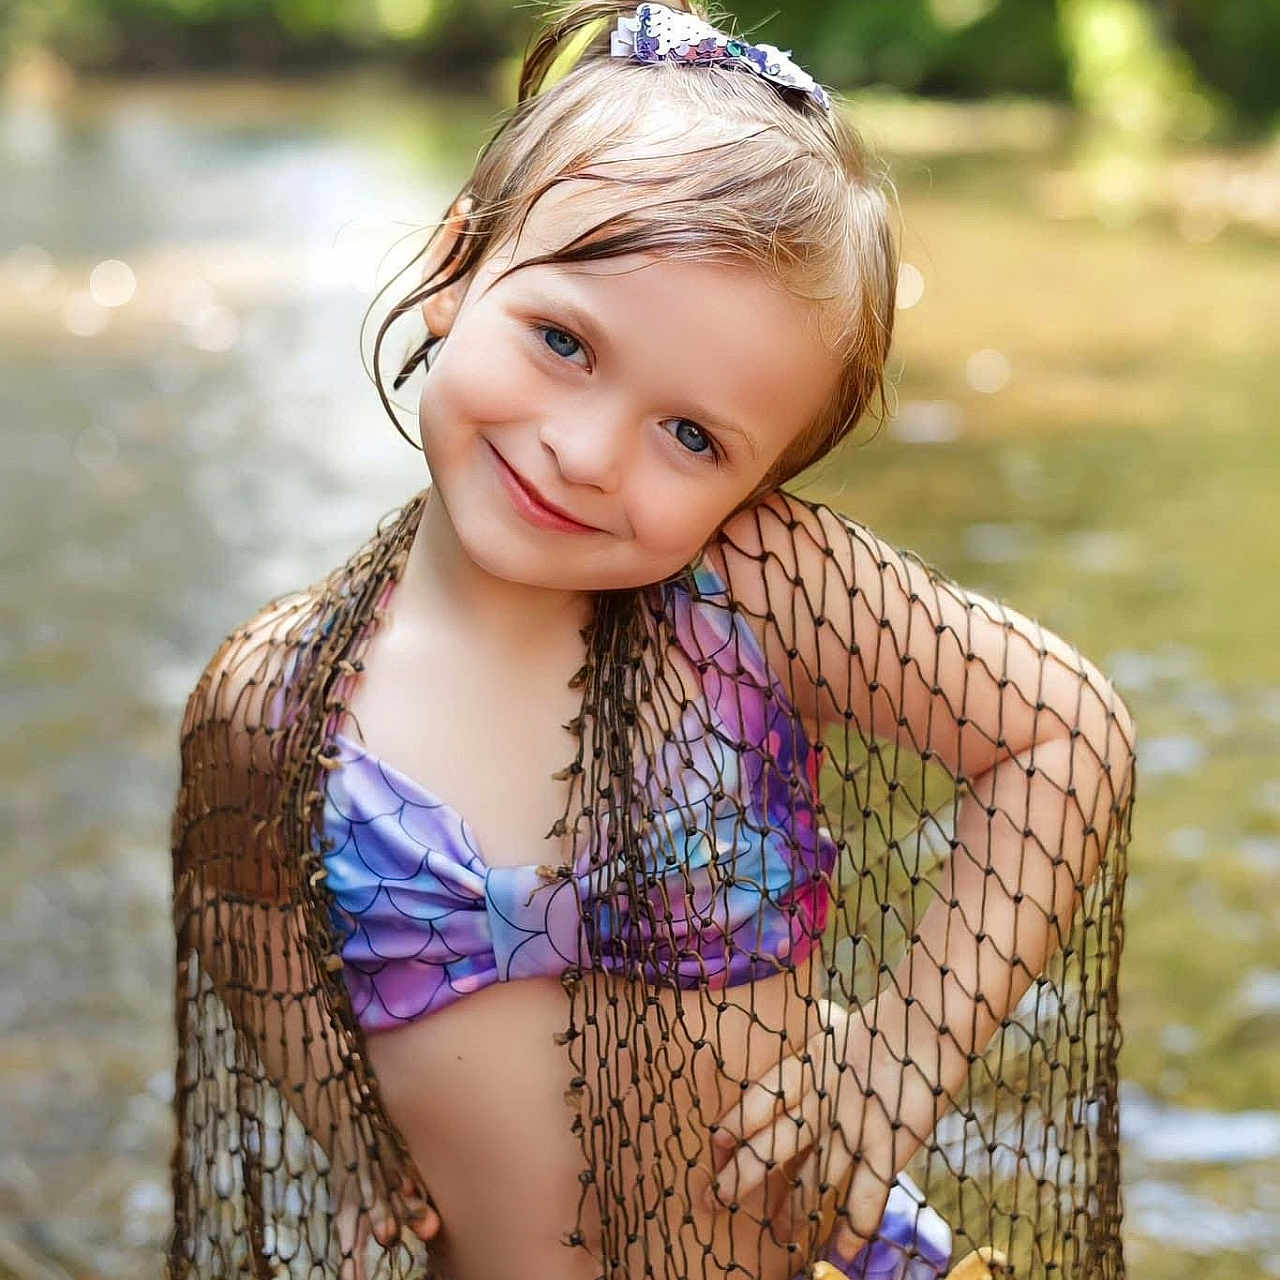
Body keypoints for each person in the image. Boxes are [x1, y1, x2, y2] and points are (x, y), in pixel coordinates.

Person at [167, 4, 1137, 1280]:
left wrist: (899, 1051)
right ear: (458, 269)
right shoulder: (277, 695)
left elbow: (1068, 734)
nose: (584, 449)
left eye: (691, 436)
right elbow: (241, 908)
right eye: (562, 340)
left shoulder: (750, 591)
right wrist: (350, 1140)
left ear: (761, 482)